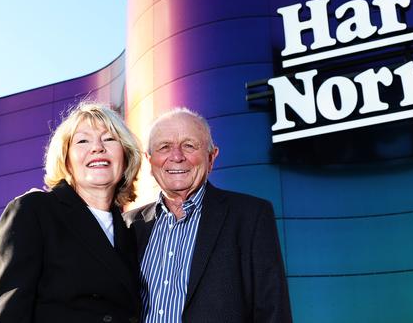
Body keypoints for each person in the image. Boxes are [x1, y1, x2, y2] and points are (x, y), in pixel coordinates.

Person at [123, 108, 292, 323]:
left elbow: (272, 311)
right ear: (149, 160)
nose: (176, 156)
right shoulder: (129, 225)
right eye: (164, 147)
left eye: (189, 145)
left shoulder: (251, 216)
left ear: (211, 157)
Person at [0, 101, 142, 323]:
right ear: (67, 160)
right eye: (82, 140)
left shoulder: (132, 232)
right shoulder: (34, 211)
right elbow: (10, 314)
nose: (97, 147)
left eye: (109, 139)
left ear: (126, 155)